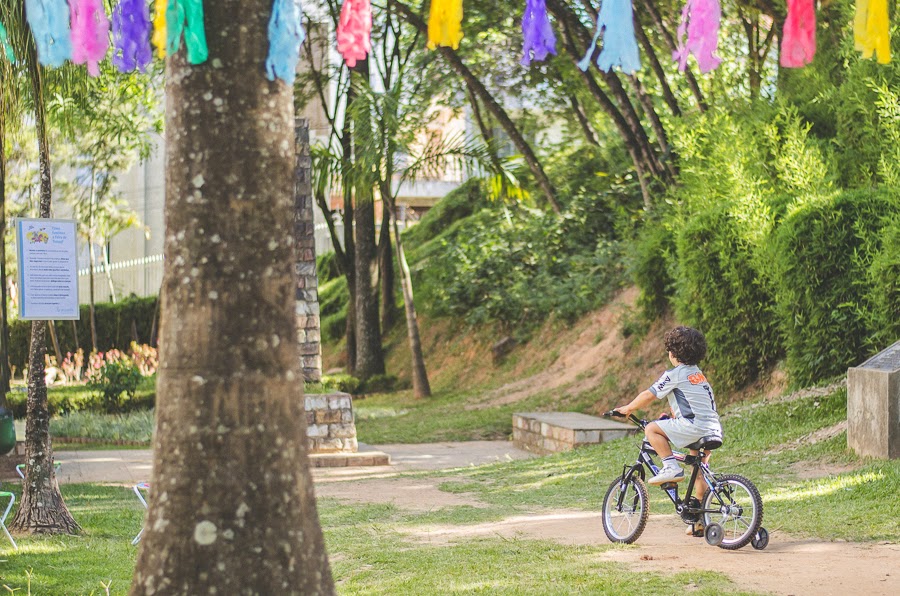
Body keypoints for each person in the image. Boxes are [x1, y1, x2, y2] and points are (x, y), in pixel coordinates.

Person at [614, 326, 722, 534]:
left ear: (673, 353)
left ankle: (670, 466)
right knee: (699, 472)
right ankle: (698, 520)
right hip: (713, 428)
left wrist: (628, 408)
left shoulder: (675, 373)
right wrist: (674, 418)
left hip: (693, 427)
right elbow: (693, 402)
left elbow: (649, 394)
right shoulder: (698, 375)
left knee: (653, 429)